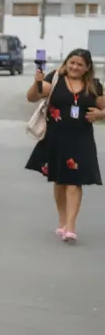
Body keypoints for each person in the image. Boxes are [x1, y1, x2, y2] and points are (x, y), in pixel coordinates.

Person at [24, 48, 104, 242]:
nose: (75, 67)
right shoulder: (56, 78)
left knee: (74, 181)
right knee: (60, 180)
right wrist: (37, 81)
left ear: (87, 68)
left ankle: (71, 226)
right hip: (55, 137)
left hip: (81, 139)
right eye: (72, 62)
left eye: (80, 64)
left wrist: (101, 115)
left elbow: (103, 106)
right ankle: (62, 221)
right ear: (67, 62)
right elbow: (33, 97)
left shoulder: (93, 86)